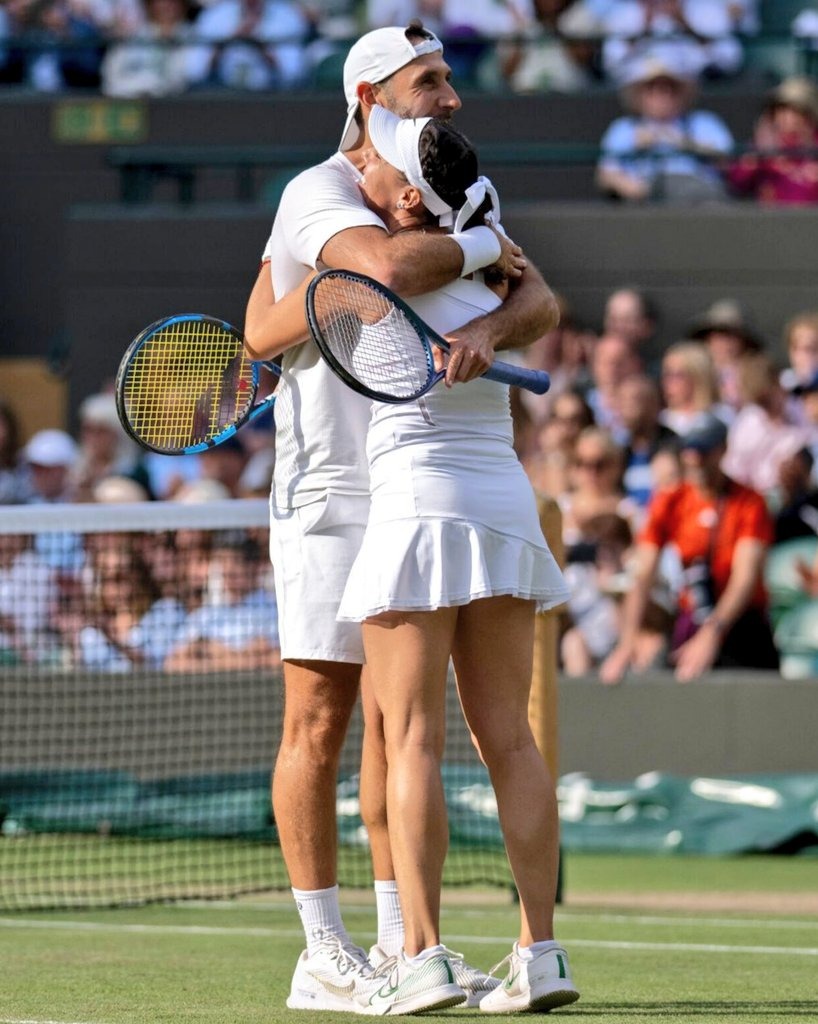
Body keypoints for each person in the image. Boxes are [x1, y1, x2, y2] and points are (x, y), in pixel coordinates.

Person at [242, 21, 559, 1013]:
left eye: (451, 79)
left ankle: (398, 943)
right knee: (323, 715)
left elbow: (537, 293)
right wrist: (469, 246)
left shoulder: (453, 177)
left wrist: (488, 322)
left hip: (419, 483)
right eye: (430, 80)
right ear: (370, 97)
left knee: (394, 724)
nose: (452, 97)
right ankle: (321, 947)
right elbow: (368, 278)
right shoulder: (316, 195)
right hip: (330, 485)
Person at [334, 105, 579, 1015]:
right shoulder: (493, 258)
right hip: (503, 503)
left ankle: (424, 954)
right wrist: (490, 318)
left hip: (419, 506)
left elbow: (381, 274)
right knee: (508, 736)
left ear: (404, 196)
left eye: (375, 167)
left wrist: (485, 323)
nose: (355, 170)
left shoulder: (368, 252)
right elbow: (538, 300)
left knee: (411, 739)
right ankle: (541, 952)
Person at [600, 412, 779, 684]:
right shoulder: (671, 500)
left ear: (722, 451)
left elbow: (745, 578)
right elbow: (643, 572)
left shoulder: (749, 503)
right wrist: (627, 641)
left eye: (704, 450)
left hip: (740, 623)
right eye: (690, 449)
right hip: (691, 616)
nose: (695, 458)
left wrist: (711, 634)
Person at [596, 57, 733, 204]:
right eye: (652, 89)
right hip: (646, 200)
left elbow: (727, 161)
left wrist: (683, 142)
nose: (662, 95)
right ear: (639, 95)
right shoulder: (623, 128)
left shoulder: (703, 122)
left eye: (670, 89)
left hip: (699, 197)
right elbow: (606, 175)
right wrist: (633, 187)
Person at [726, 76, 818, 207]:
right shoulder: (762, 146)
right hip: (771, 221)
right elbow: (737, 183)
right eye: (781, 110)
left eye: (796, 110)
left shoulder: (813, 145)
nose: (788, 117)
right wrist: (755, 158)